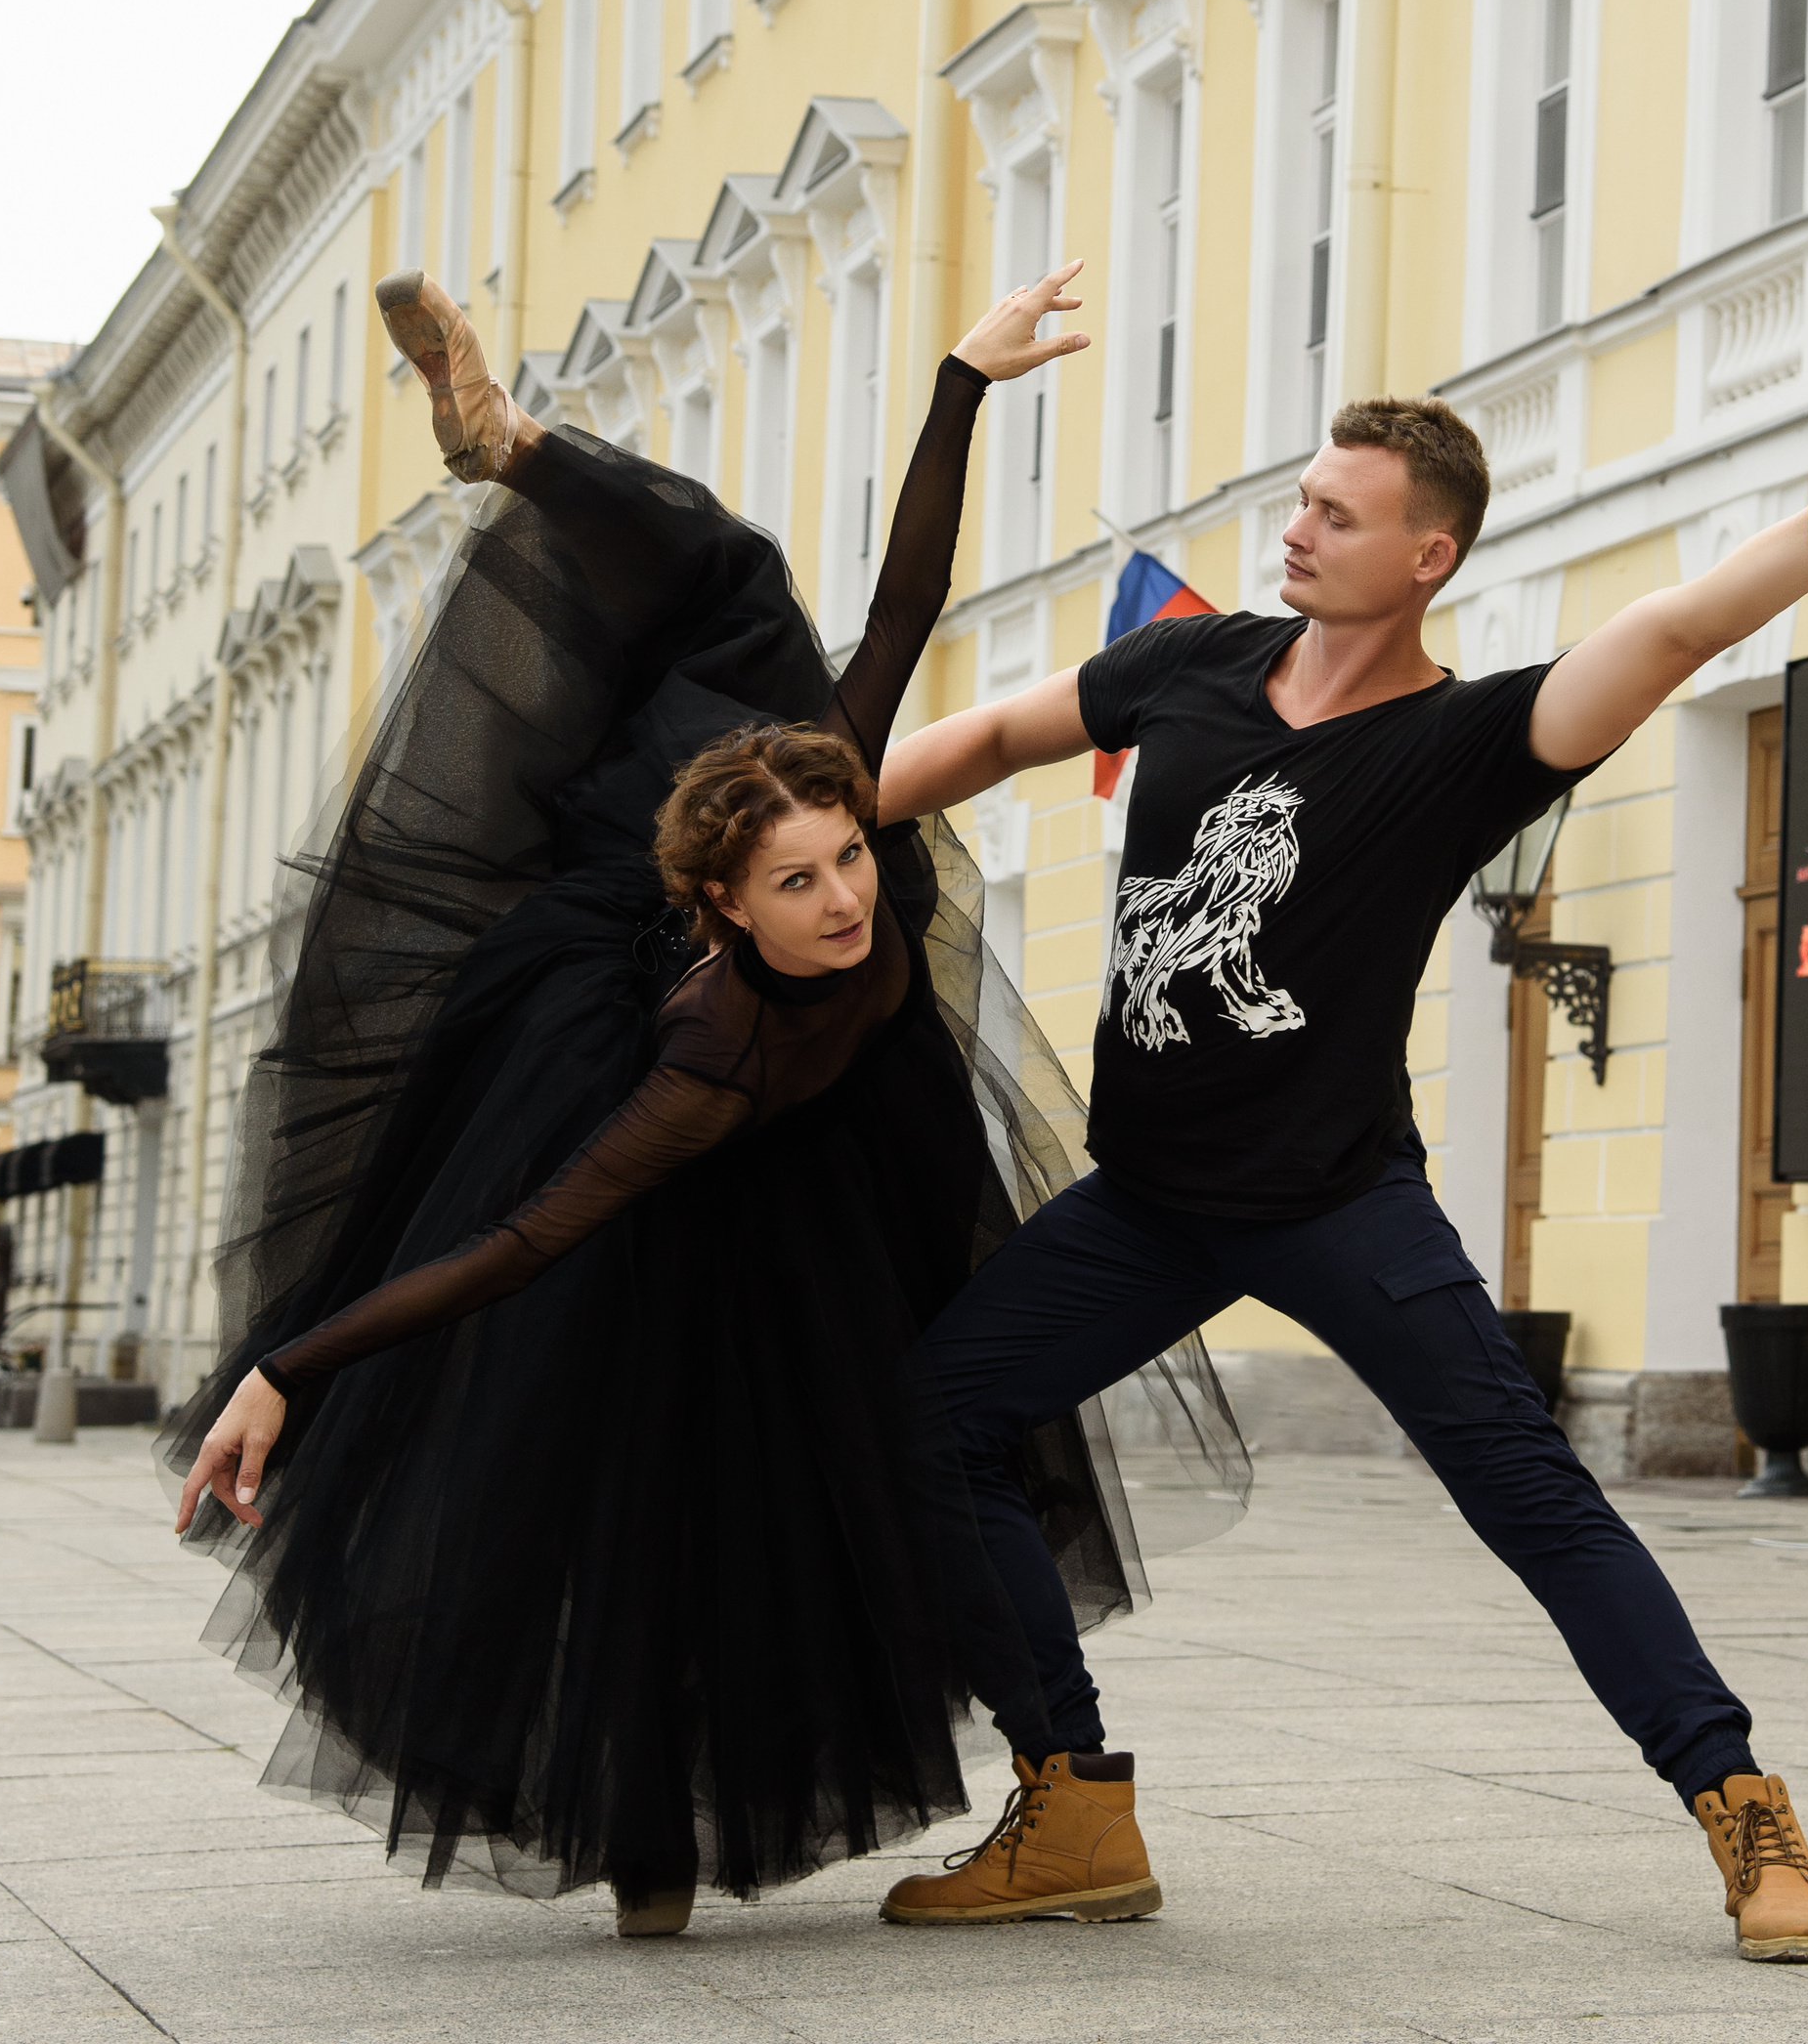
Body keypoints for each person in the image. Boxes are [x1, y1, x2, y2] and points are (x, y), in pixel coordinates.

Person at [871, 391, 1808, 1960]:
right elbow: (985, 742)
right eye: (1302, 498)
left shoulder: (1469, 741)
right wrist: (782, 830)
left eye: (1335, 513)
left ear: (1427, 556)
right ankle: (1073, 1805)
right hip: (1147, 1200)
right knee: (931, 1418)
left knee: (1532, 1497)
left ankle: (1743, 1807)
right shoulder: (1189, 663)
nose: (1296, 527)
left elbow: (1676, 631)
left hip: (1337, 1200)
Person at [165, 259, 1244, 1936]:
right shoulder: (704, 1053)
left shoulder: (832, 807)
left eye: (852, 863)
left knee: (741, 582)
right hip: (661, 1050)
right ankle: (647, 1829)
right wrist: (285, 1369)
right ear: (732, 908)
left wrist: (962, 383)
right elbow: (523, 1240)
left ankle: (515, 449)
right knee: (637, 1459)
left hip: (821, 1132)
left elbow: (907, 601)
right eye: (807, 883)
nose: (853, 898)